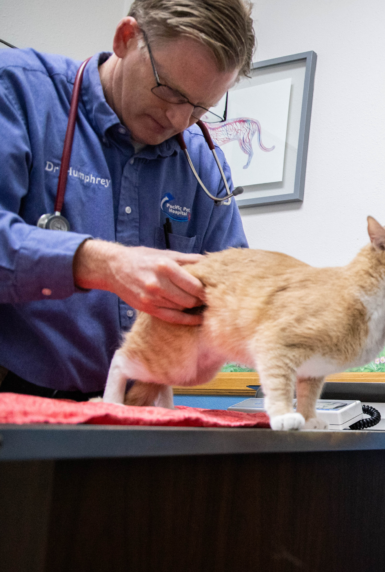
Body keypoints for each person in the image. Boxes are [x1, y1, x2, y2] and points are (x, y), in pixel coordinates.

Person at [0, 0, 256, 400]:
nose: (178, 120)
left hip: (130, 408)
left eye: (199, 108)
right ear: (125, 38)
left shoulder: (204, 164)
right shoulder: (19, 91)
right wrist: (103, 264)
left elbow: (235, 286)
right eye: (168, 91)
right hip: (14, 397)